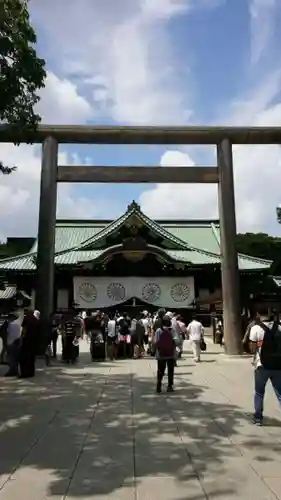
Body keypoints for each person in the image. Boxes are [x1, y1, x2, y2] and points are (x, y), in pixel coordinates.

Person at [249, 311, 281, 426]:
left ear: (258, 314)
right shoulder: (280, 327)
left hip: (261, 365)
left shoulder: (255, 328)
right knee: (280, 393)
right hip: (278, 365)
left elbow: (252, 349)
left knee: (259, 392)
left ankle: (258, 418)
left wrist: (259, 345)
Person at [153, 315, 179, 393]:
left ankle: (159, 384)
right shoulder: (172, 330)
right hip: (171, 354)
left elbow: (156, 342)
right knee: (170, 370)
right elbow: (177, 342)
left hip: (161, 354)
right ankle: (169, 386)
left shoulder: (158, 330)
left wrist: (154, 351)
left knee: (160, 370)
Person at [19, 310, 40, 378]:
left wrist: (21, 338)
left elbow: (24, 329)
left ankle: (24, 373)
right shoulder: (36, 320)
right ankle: (31, 372)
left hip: (26, 342)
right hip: (34, 342)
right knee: (31, 358)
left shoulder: (26, 319)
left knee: (23, 359)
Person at [5, 311, 21, 377]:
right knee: (15, 357)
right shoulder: (18, 324)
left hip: (11, 342)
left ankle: (12, 370)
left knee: (11, 357)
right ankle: (15, 370)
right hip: (16, 342)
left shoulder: (9, 324)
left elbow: (5, 333)